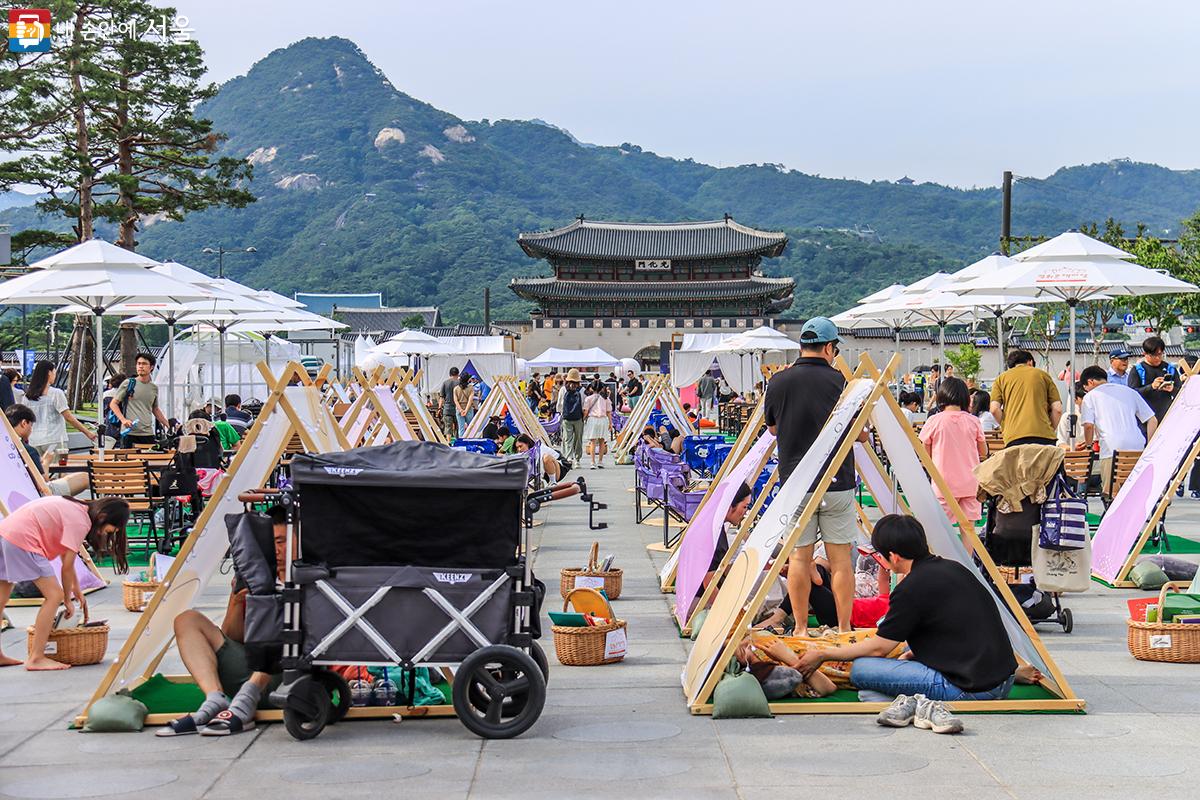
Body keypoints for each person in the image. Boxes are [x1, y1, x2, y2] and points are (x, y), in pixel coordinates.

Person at [797, 515, 1038, 733]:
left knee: (862, 670)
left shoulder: (911, 587)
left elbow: (880, 647)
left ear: (894, 557)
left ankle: (907, 700)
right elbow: (951, 630)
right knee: (895, 660)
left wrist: (823, 653)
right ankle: (897, 697)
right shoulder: (954, 568)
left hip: (968, 688)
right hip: (1000, 679)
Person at [764, 316, 866, 633]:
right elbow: (860, 436)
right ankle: (845, 627)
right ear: (828, 347)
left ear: (801, 346)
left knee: (799, 558)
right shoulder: (841, 384)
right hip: (837, 482)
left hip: (797, 482)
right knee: (839, 560)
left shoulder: (778, 382)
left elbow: (772, 429)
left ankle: (799, 629)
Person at [160, 506, 288, 736]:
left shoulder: (309, 579)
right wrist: (237, 601)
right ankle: (215, 698)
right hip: (247, 666)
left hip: (285, 673)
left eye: (281, 542)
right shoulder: (258, 575)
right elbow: (232, 637)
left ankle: (249, 694)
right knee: (186, 620)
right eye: (270, 544)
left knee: (287, 623)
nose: (275, 550)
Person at [0, 496, 130, 670]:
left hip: (6, 534)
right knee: (54, 596)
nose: (103, 535)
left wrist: (76, 589)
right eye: (108, 531)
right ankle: (36, 657)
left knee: (1, 598)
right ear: (102, 517)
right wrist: (67, 599)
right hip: (24, 539)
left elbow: (65, 557)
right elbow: (67, 567)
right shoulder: (81, 521)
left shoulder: (76, 507)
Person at [1077, 365, 1157, 498]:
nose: (1086, 391)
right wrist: (1150, 444)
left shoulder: (1091, 397)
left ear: (1090, 382)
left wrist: (1089, 445)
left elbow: (1088, 426)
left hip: (1111, 448)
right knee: (1134, 491)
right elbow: (1152, 419)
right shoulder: (1129, 392)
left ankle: (1116, 517)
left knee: (1111, 493)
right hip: (1137, 447)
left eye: (1086, 388)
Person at [918, 377, 987, 524]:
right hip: (971, 483)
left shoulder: (934, 421)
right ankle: (966, 549)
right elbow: (983, 451)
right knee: (968, 528)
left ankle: (944, 549)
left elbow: (925, 454)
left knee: (942, 528)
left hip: (943, 483)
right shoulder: (973, 421)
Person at [5, 404, 89, 497]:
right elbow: (43, 482)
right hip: (36, 494)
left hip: (11, 493)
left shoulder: (5, 446)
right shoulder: (27, 451)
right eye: (31, 425)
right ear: (24, 423)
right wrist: (46, 462)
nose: (31, 430)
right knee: (84, 477)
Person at [989, 349, 1062, 447]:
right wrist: (1049, 429)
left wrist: (1006, 426)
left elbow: (994, 409)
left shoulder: (1001, 379)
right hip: (1044, 437)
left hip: (1014, 438)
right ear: (1030, 362)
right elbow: (1057, 409)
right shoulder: (1043, 375)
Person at [23, 360, 97, 455]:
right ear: (49, 373)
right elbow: (69, 418)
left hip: (34, 440)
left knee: (39, 469)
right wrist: (88, 433)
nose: (55, 375)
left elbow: (25, 419)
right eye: (54, 372)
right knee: (57, 469)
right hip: (55, 440)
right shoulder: (56, 393)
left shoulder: (27, 397)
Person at [109, 352, 169, 448]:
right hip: (129, 432)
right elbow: (113, 404)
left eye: (144, 364)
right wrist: (123, 420)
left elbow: (155, 409)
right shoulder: (128, 383)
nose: (140, 366)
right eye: (138, 363)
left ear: (151, 367)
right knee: (129, 462)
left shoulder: (153, 388)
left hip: (147, 433)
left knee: (149, 461)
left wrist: (167, 424)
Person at [1127, 336, 1180, 424]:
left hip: (1166, 416)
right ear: (1145, 354)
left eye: (1160, 354)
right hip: (1144, 419)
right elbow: (1132, 394)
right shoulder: (1137, 370)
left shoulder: (1170, 369)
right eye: (1153, 355)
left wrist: (1172, 389)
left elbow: (1181, 392)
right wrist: (1151, 387)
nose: (1157, 358)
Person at [557, 368, 585, 463]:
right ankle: (577, 459)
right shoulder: (582, 390)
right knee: (578, 439)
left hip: (566, 418)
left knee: (567, 438)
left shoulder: (563, 389)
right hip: (578, 418)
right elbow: (584, 405)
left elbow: (559, 404)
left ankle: (569, 457)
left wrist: (561, 414)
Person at [583, 380, 612, 469]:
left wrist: (584, 419)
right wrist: (610, 423)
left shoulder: (588, 398)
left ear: (592, 388)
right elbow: (609, 412)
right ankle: (600, 461)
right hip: (603, 420)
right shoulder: (606, 398)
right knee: (602, 441)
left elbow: (586, 411)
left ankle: (592, 462)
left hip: (593, 420)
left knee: (592, 442)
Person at [1056, 383, 1087, 447]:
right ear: (1075, 400)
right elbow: (1060, 443)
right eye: (1084, 398)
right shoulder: (1067, 417)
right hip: (1072, 455)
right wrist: (1072, 447)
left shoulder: (1097, 416)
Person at [440, 367, 460, 440]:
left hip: (447, 408)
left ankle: (448, 442)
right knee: (458, 427)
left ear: (450, 374)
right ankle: (457, 442)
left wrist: (439, 408)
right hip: (458, 408)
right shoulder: (459, 383)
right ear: (458, 374)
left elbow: (441, 397)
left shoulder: (445, 383)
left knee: (448, 427)